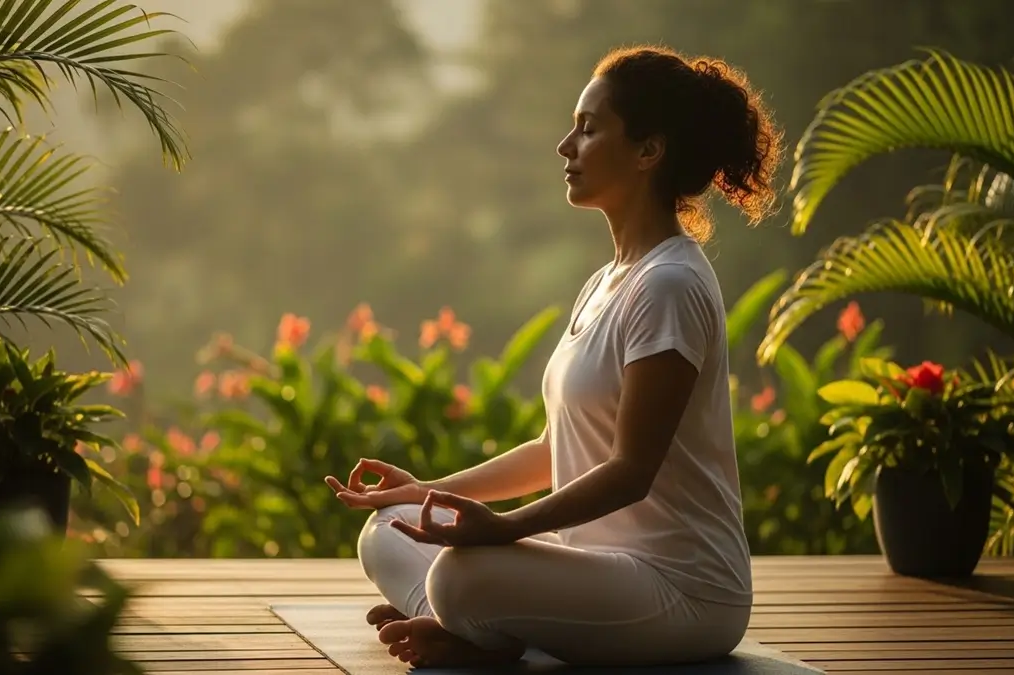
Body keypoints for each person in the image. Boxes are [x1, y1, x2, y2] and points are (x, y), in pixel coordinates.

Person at [324, 44, 782, 669]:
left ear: (649, 151)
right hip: (597, 571)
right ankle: (467, 629)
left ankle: (473, 632)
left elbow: (630, 470)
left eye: (589, 130)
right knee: (392, 527)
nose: (566, 147)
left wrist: (503, 529)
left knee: (459, 579)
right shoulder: (607, 281)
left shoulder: (670, 285)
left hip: (683, 592)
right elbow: (553, 450)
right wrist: (429, 489)